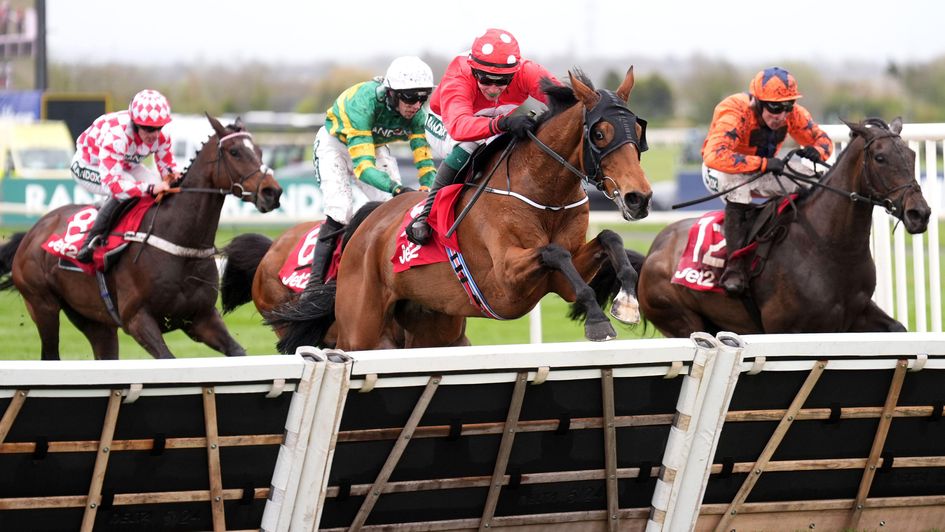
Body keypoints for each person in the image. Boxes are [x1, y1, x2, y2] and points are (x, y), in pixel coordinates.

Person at [405, 28, 560, 245]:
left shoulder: (528, 71)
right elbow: (459, 127)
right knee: (469, 145)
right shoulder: (459, 74)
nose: (494, 89)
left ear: (515, 72)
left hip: (490, 121)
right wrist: (502, 123)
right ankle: (426, 215)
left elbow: (568, 101)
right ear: (474, 71)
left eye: (503, 81)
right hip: (446, 121)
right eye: (486, 79)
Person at [701, 66, 834, 296]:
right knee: (739, 188)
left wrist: (818, 151)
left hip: (761, 171)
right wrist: (762, 163)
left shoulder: (793, 114)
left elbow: (823, 141)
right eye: (775, 107)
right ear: (758, 102)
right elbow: (715, 156)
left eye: (788, 106)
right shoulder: (734, 110)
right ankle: (734, 267)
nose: (781, 115)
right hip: (720, 170)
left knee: (811, 179)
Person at [308, 55, 437, 287]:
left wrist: (429, 189)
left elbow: (425, 162)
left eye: (422, 97)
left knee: (393, 207)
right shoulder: (363, 103)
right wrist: (397, 188)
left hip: (374, 146)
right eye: (410, 97)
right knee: (341, 209)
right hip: (335, 145)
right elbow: (364, 168)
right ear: (392, 93)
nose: (417, 105)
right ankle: (314, 284)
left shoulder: (418, 115)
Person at [71, 89, 176, 263]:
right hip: (87, 166)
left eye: (159, 128)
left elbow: (169, 170)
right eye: (149, 129)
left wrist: (174, 179)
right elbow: (114, 185)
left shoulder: (161, 136)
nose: (155, 135)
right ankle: (90, 242)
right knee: (129, 188)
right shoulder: (117, 136)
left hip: (125, 165)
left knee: (157, 185)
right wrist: (150, 188)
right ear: (135, 124)